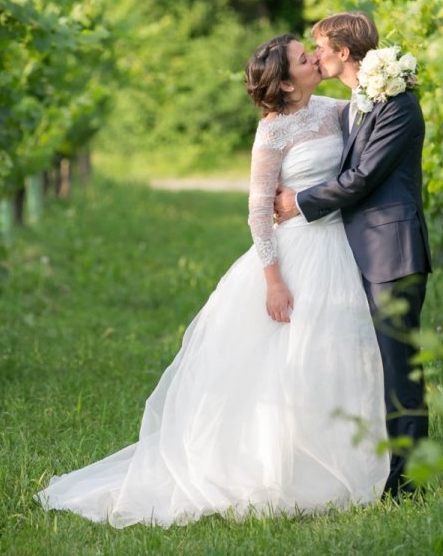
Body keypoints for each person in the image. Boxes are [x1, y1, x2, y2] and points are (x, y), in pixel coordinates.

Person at [35, 34, 390, 528]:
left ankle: (334, 462)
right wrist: (272, 281)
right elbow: (257, 211)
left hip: (338, 250)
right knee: (284, 363)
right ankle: (277, 470)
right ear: (286, 83)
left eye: (311, 54)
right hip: (294, 256)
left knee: (332, 354)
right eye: (304, 59)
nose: (315, 59)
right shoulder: (272, 132)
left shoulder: (335, 110)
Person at [275, 12, 433, 500]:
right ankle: (375, 467)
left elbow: (362, 177)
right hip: (356, 251)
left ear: (344, 53)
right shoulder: (355, 103)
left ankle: (409, 484)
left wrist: (298, 204)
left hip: (392, 251)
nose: (315, 56)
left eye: (319, 48)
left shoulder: (399, 106)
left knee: (398, 366)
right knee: (369, 365)